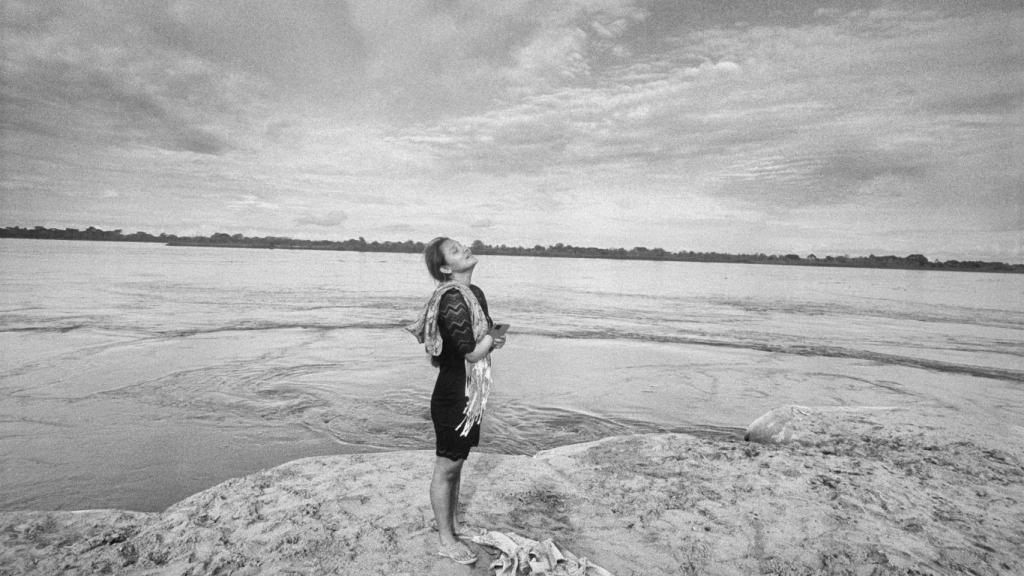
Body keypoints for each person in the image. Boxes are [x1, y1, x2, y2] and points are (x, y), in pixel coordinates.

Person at [409, 237, 506, 565]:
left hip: (472, 391)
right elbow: (472, 351)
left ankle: (450, 527)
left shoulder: (474, 294)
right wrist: (491, 340)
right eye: (454, 250)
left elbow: (482, 339)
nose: (464, 248)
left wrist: (492, 338)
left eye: (460, 245)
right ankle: (445, 539)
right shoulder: (452, 298)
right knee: (446, 466)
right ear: (446, 268)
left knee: (457, 464)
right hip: (453, 394)